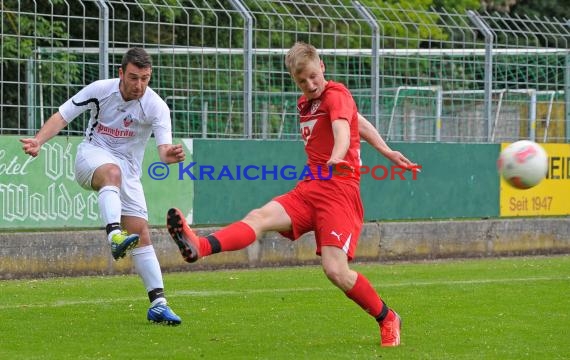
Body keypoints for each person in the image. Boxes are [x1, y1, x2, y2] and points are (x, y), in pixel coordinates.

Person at [166, 41, 417, 345]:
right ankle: (200, 246)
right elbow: (357, 122)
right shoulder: (305, 103)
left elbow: (342, 127)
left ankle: (388, 317)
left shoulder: (336, 94)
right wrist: (387, 150)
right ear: (294, 81)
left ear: (322, 66)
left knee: (336, 271)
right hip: (310, 188)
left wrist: (339, 156)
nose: (310, 84)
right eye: (302, 81)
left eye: (313, 76)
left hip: (339, 192)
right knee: (259, 216)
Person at [21, 47, 185, 325]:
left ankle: (158, 304)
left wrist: (169, 156)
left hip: (129, 170)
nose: (139, 85)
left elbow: (163, 150)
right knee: (111, 172)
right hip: (92, 156)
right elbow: (63, 115)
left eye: (145, 78)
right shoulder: (101, 89)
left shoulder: (157, 106)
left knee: (142, 233)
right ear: (121, 73)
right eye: (133, 78)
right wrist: (38, 140)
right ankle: (113, 235)